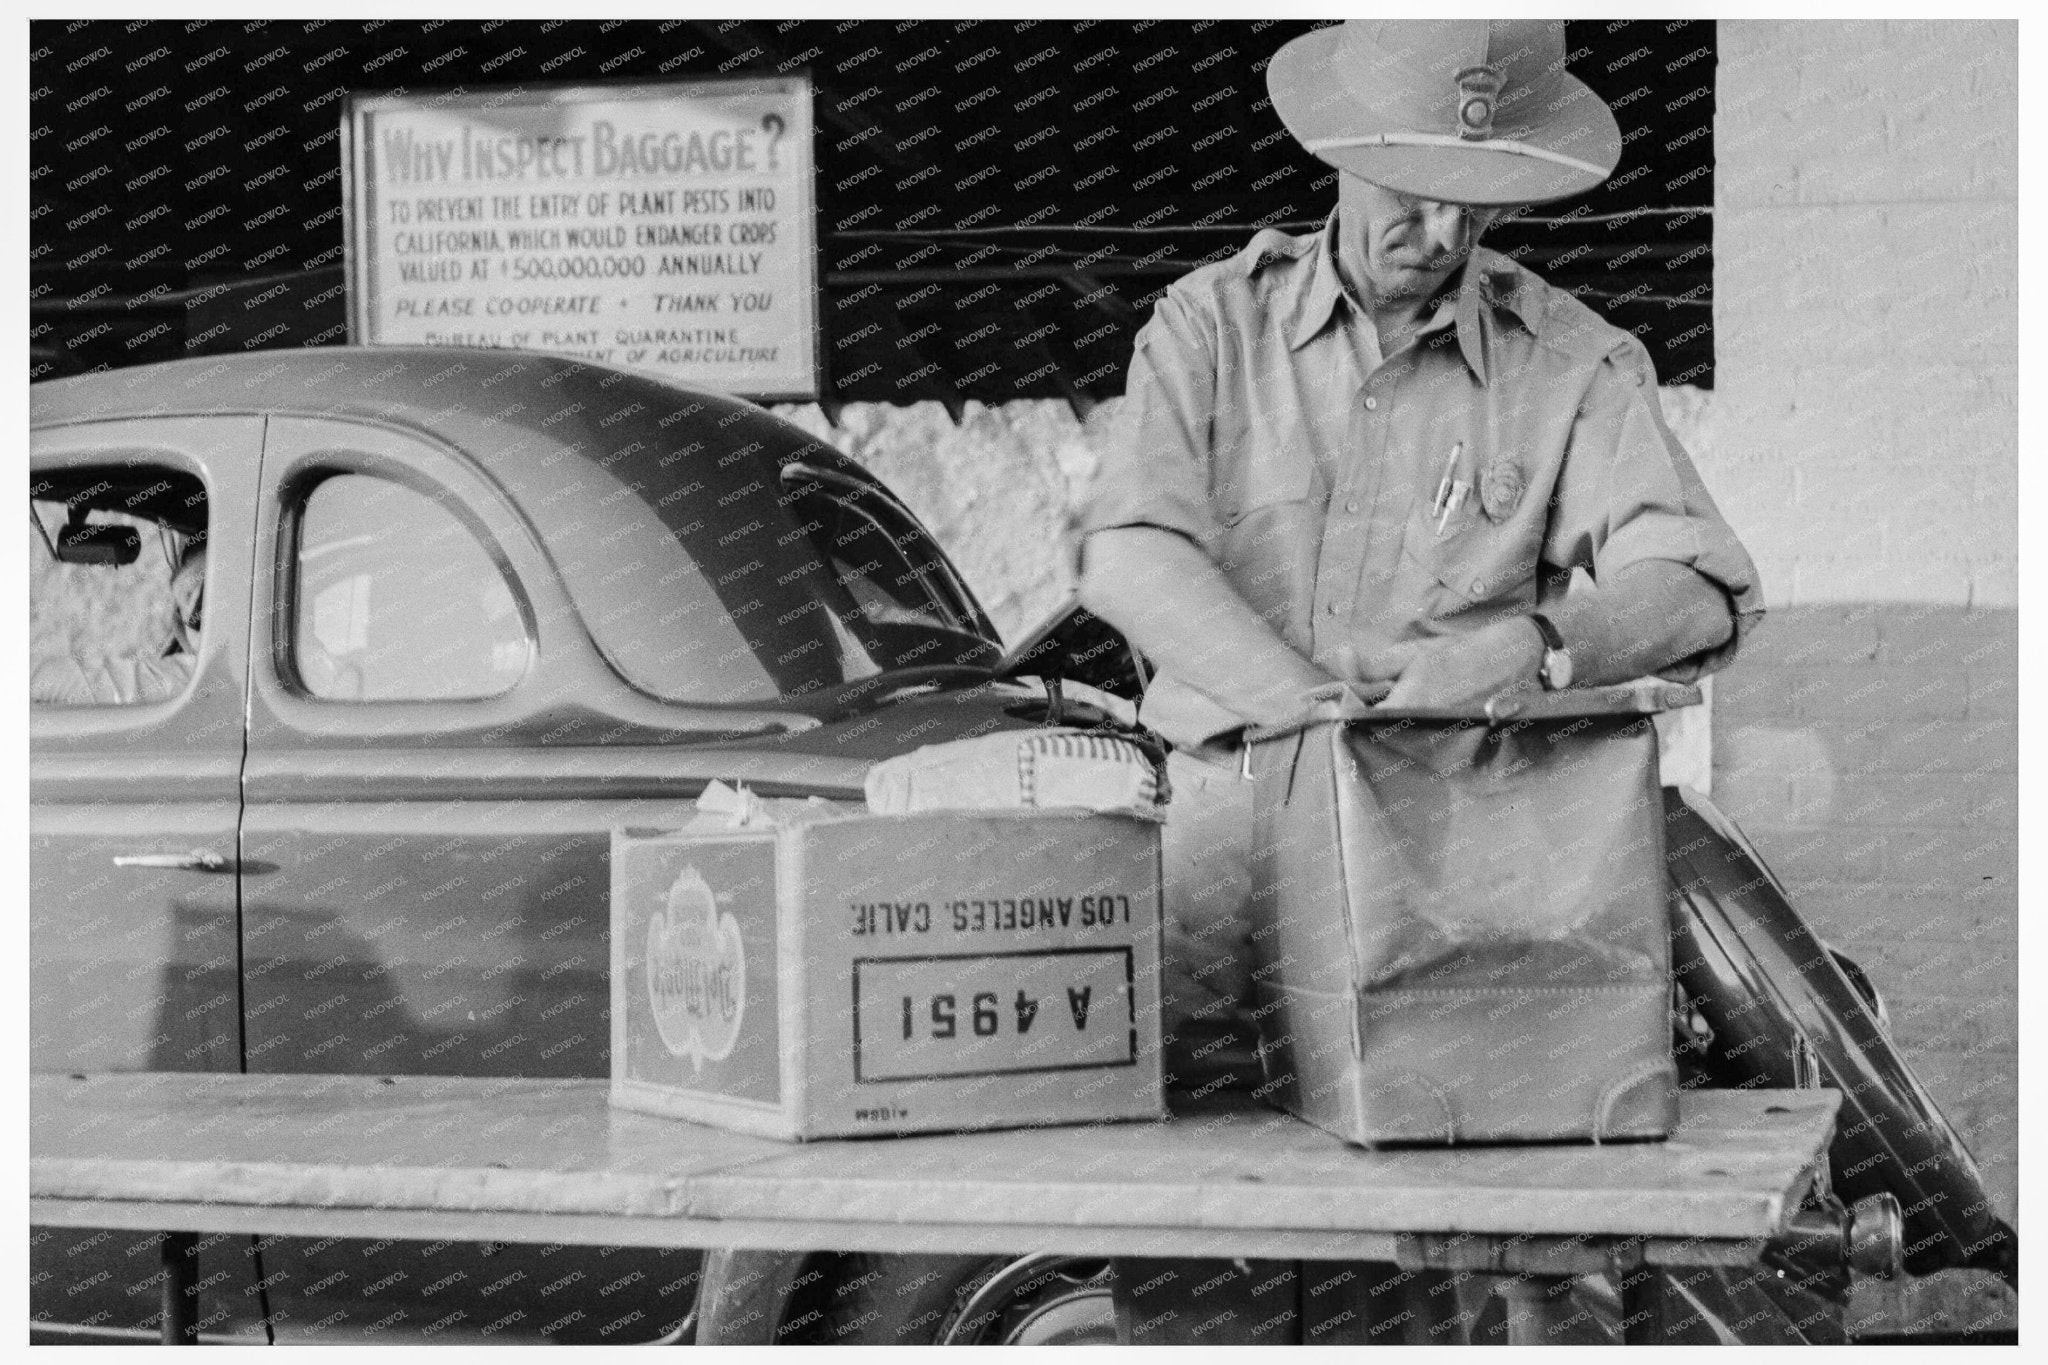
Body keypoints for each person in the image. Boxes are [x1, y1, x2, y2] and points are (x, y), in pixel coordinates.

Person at [1076, 19, 1762, 1093]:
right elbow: (1127, 553)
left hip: (1457, 880)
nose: (1443, 232)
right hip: (1224, 848)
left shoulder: (1571, 365)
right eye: (1411, 189)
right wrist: (1315, 714)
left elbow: (1699, 592)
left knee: (1455, 1195)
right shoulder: (1210, 328)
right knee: (1208, 1197)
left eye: (1476, 199)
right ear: (1342, 156)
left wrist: (1534, 650)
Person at [32, 543, 205, 706]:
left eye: (202, 594)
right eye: (191, 598)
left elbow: (41, 681)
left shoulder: (185, 680)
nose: (199, 608)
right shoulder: (187, 679)